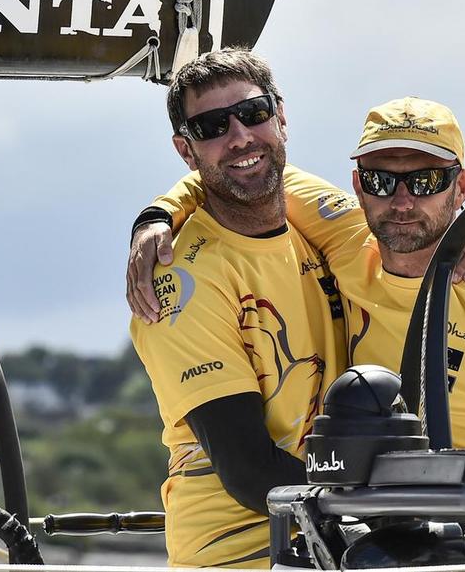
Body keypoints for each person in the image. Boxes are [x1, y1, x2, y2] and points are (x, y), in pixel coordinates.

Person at [130, 96, 465, 565]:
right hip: (360, 548)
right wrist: (156, 214)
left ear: (463, 187)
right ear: (358, 185)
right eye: (383, 182)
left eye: (426, 182)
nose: (403, 202)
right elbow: (247, 168)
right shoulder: (346, 242)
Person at [129, 48, 348, 568]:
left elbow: (411, 220)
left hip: (330, 535)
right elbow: (251, 473)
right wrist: (394, 507)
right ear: (187, 151)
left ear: (281, 116)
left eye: (253, 114)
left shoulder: (312, 221)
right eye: (211, 127)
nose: (241, 137)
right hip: (239, 550)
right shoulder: (180, 278)